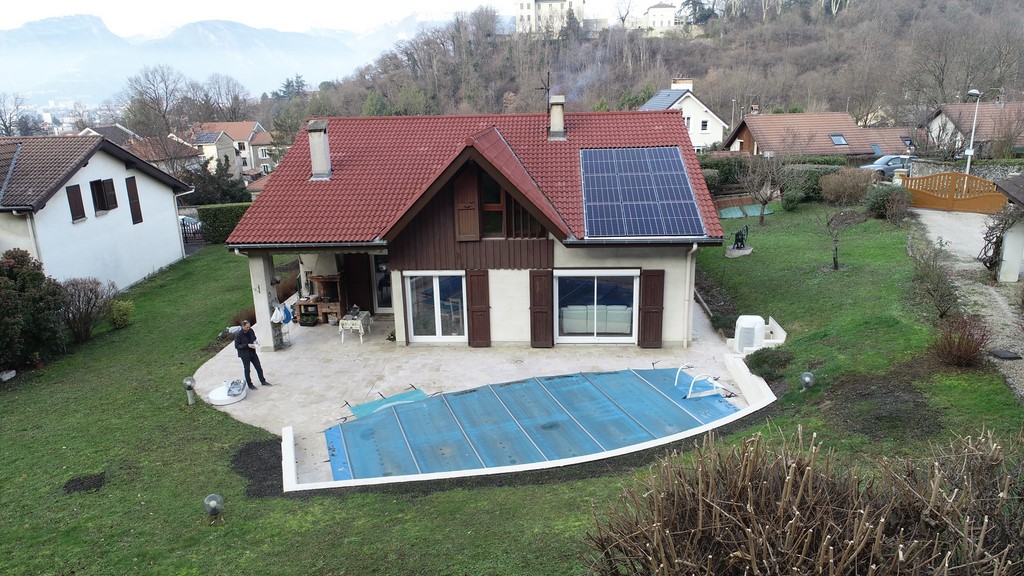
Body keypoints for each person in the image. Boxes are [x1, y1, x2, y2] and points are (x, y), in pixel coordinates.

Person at [234, 320, 271, 390]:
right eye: (247, 327)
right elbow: (237, 346)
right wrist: (247, 345)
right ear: (243, 326)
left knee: (258, 367)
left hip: (252, 352)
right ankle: (250, 385)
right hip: (244, 354)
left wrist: (255, 344)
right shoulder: (239, 334)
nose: (248, 328)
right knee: (247, 370)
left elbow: (254, 339)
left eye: (249, 327)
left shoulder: (251, 331)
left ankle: (263, 381)